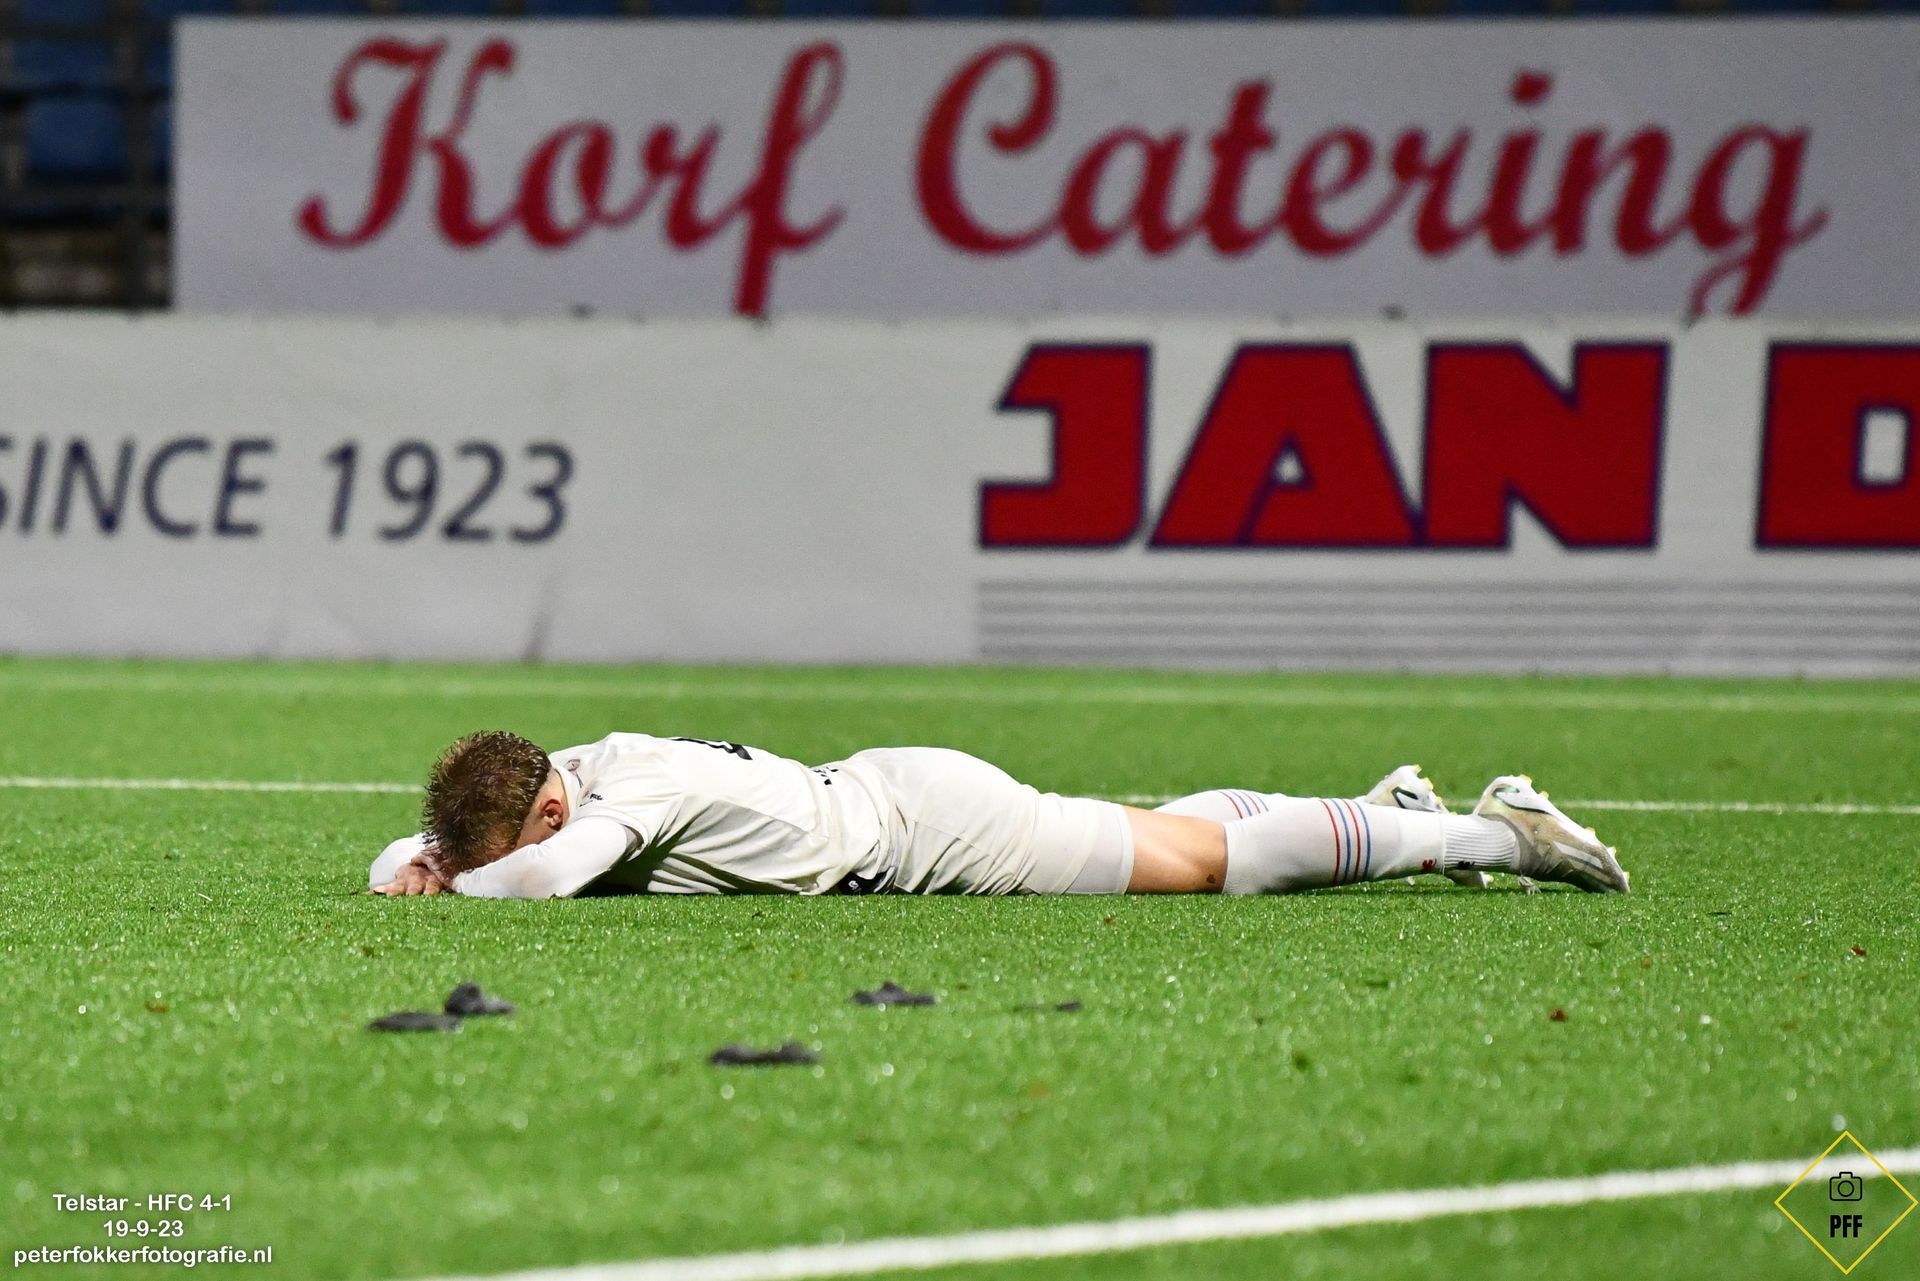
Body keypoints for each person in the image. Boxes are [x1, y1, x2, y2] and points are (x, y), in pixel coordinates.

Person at [369, 730, 1629, 900]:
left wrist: (457, 887)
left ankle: (1492, 833)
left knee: (1208, 865)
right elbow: (470, 850)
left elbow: (544, 880)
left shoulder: (618, 804)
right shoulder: (572, 766)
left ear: (550, 808)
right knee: (1161, 825)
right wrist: (423, 859)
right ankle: (1381, 809)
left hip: (929, 833)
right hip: (895, 791)